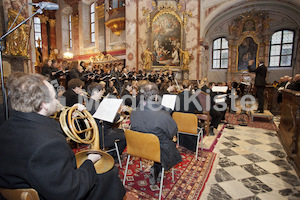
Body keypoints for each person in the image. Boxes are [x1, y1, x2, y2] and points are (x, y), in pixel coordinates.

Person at [0, 73, 126, 200]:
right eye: (54, 97)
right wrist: (89, 161)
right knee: (110, 175)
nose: (57, 100)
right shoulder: (48, 144)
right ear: (44, 104)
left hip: (25, 183)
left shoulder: (6, 126)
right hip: (59, 192)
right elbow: (71, 191)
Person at [130, 83, 182, 185]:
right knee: (168, 141)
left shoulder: (134, 112)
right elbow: (173, 132)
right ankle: (158, 168)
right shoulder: (163, 115)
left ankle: (157, 168)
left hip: (138, 147)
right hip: (157, 150)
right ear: (156, 96)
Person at [86, 82, 126, 159]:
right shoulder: (96, 106)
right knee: (125, 136)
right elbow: (110, 121)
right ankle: (113, 156)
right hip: (102, 136)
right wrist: (118, 112)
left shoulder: (88, 103)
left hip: (94, 134)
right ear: (95, 92)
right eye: (101, 92)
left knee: (121, 131)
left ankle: (112, 151)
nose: (102, 93)